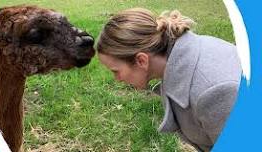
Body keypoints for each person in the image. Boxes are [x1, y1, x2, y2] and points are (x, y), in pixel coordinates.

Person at [97, 8, 241, 152]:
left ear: (141, 61)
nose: (117, 79)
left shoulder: (216, 92)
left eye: (116, 71)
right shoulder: (181, 58)